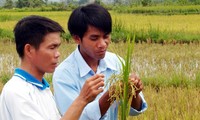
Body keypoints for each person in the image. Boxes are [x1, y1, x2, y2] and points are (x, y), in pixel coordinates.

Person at [53, 3, 147, 120]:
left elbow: (135, 110)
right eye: (94, 38)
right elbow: (76, 117)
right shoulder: (64, 74)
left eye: (106, 36)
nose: (103, 44)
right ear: (77, 38)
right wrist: (110, 95)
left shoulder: (116, 62)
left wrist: (134, 93)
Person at [0, 15, 105, 120]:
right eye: (52, 47)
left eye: (57, 47)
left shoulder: (43, 89)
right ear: (29, 50)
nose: (57, 54)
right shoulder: (18, 92)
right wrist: (82, 99)